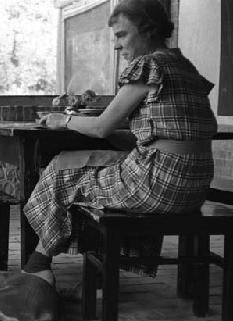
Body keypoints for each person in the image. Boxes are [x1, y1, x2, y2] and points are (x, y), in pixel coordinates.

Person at [22, 0, 217, 285]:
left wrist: (60, 120)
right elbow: (164, 135)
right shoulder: (185, 67)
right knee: (92, 172)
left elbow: (101, 126)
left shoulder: (149, 64)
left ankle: (38, 265)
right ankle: (101, 268)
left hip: (160, 183)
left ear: (148, 31)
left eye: (122, 35)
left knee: (63, 169)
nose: (117, 45)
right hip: (195, 184)